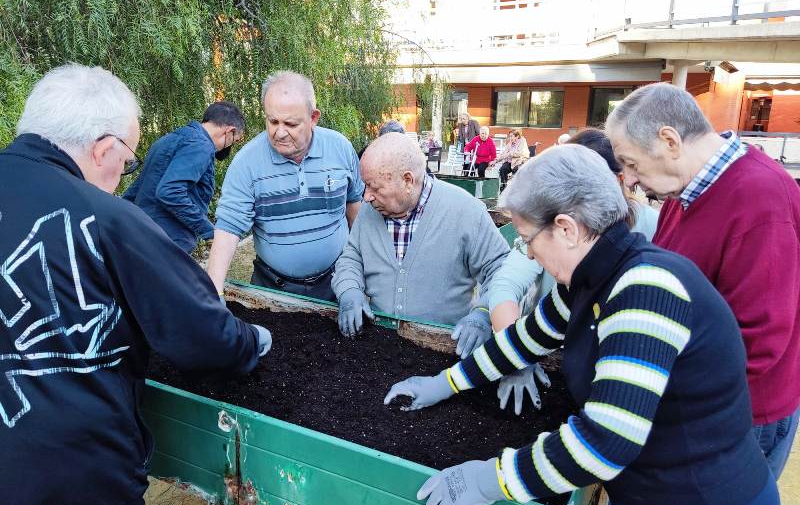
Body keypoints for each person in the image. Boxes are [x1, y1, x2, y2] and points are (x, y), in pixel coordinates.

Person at [383, 145, 780, 505]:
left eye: (528, 240)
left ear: (567, 229)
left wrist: (491, 480)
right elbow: (524, 340)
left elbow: (605, 442)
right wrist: (445, 382)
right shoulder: (590, 280)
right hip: (650, 501)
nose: (530, 253)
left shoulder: (645, 290)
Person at [0, 64, 271, 505]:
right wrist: (254, 340)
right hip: (78, 499)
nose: (123, 175)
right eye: (127, 162)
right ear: (104, 148)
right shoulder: (108, 220)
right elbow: (202, 334)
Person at [606, 82, 800, 480]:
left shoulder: (760, 199)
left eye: (631, 163)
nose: (628, 179)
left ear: (669, 140)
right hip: (699, 403)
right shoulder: (686, 192)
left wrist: (647, 384)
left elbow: (757, 343)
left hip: (739, 416)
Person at [487, 128, 659, 415]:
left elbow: (610, 436)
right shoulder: (552, 233)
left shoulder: (651, 232)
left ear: (617, 181)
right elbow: (505, 286)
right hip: (550, 353)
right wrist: (517, 358)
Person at [332, 133, 508, 358]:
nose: (366, 197)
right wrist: (349, 291)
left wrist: (484, 312)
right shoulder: (370, 211)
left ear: (407, 180)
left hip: (444, 349)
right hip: (378, 346)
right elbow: (352, 257)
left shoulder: (465, 211)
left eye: (374, 187)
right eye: (365, 186)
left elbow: (501, 270)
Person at [206, 71, 364, 302]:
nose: (279, 132)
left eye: (290, 123)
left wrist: (358, 276)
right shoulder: (247, 163)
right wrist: (214, 292)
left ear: (313, 118)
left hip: (336, 282)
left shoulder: (340, 148)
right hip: (273, 289)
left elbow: (355, 206)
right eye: (273, 121)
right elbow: (229, 229)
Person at [123, 101, 244, 253]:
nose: (231, 146)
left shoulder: (166, 141)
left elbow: (135, 191)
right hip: (168, 242)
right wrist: (208, 231)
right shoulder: (201, 146)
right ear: (229, 131)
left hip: (142, 236)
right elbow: (170, 191)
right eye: (236, 139)